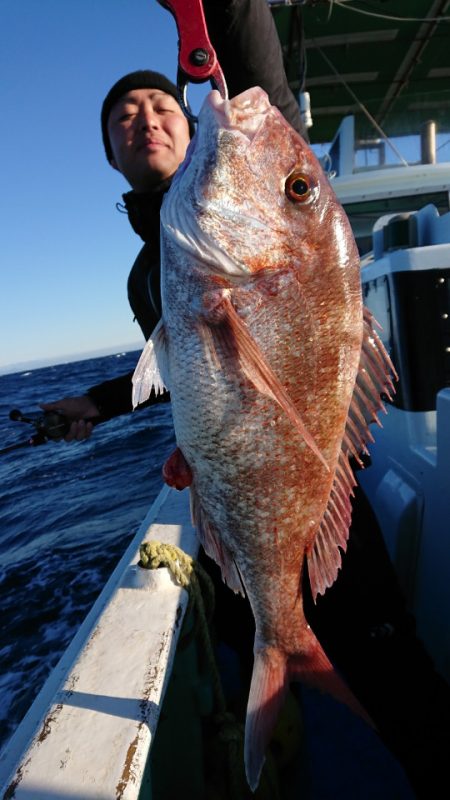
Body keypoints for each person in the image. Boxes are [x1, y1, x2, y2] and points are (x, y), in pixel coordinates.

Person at [41, 2, 450, 797]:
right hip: (238, 489)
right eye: (123, 115)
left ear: (193, 131)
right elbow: (178, 366)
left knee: (398, 680)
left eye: (161, 105)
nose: (145, 119)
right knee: (247, 645)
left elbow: (262, 87)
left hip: (319, 493)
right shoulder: (156, 267)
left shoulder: (227, 222)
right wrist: (108, 405)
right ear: (110, 154)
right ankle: (279, 681)